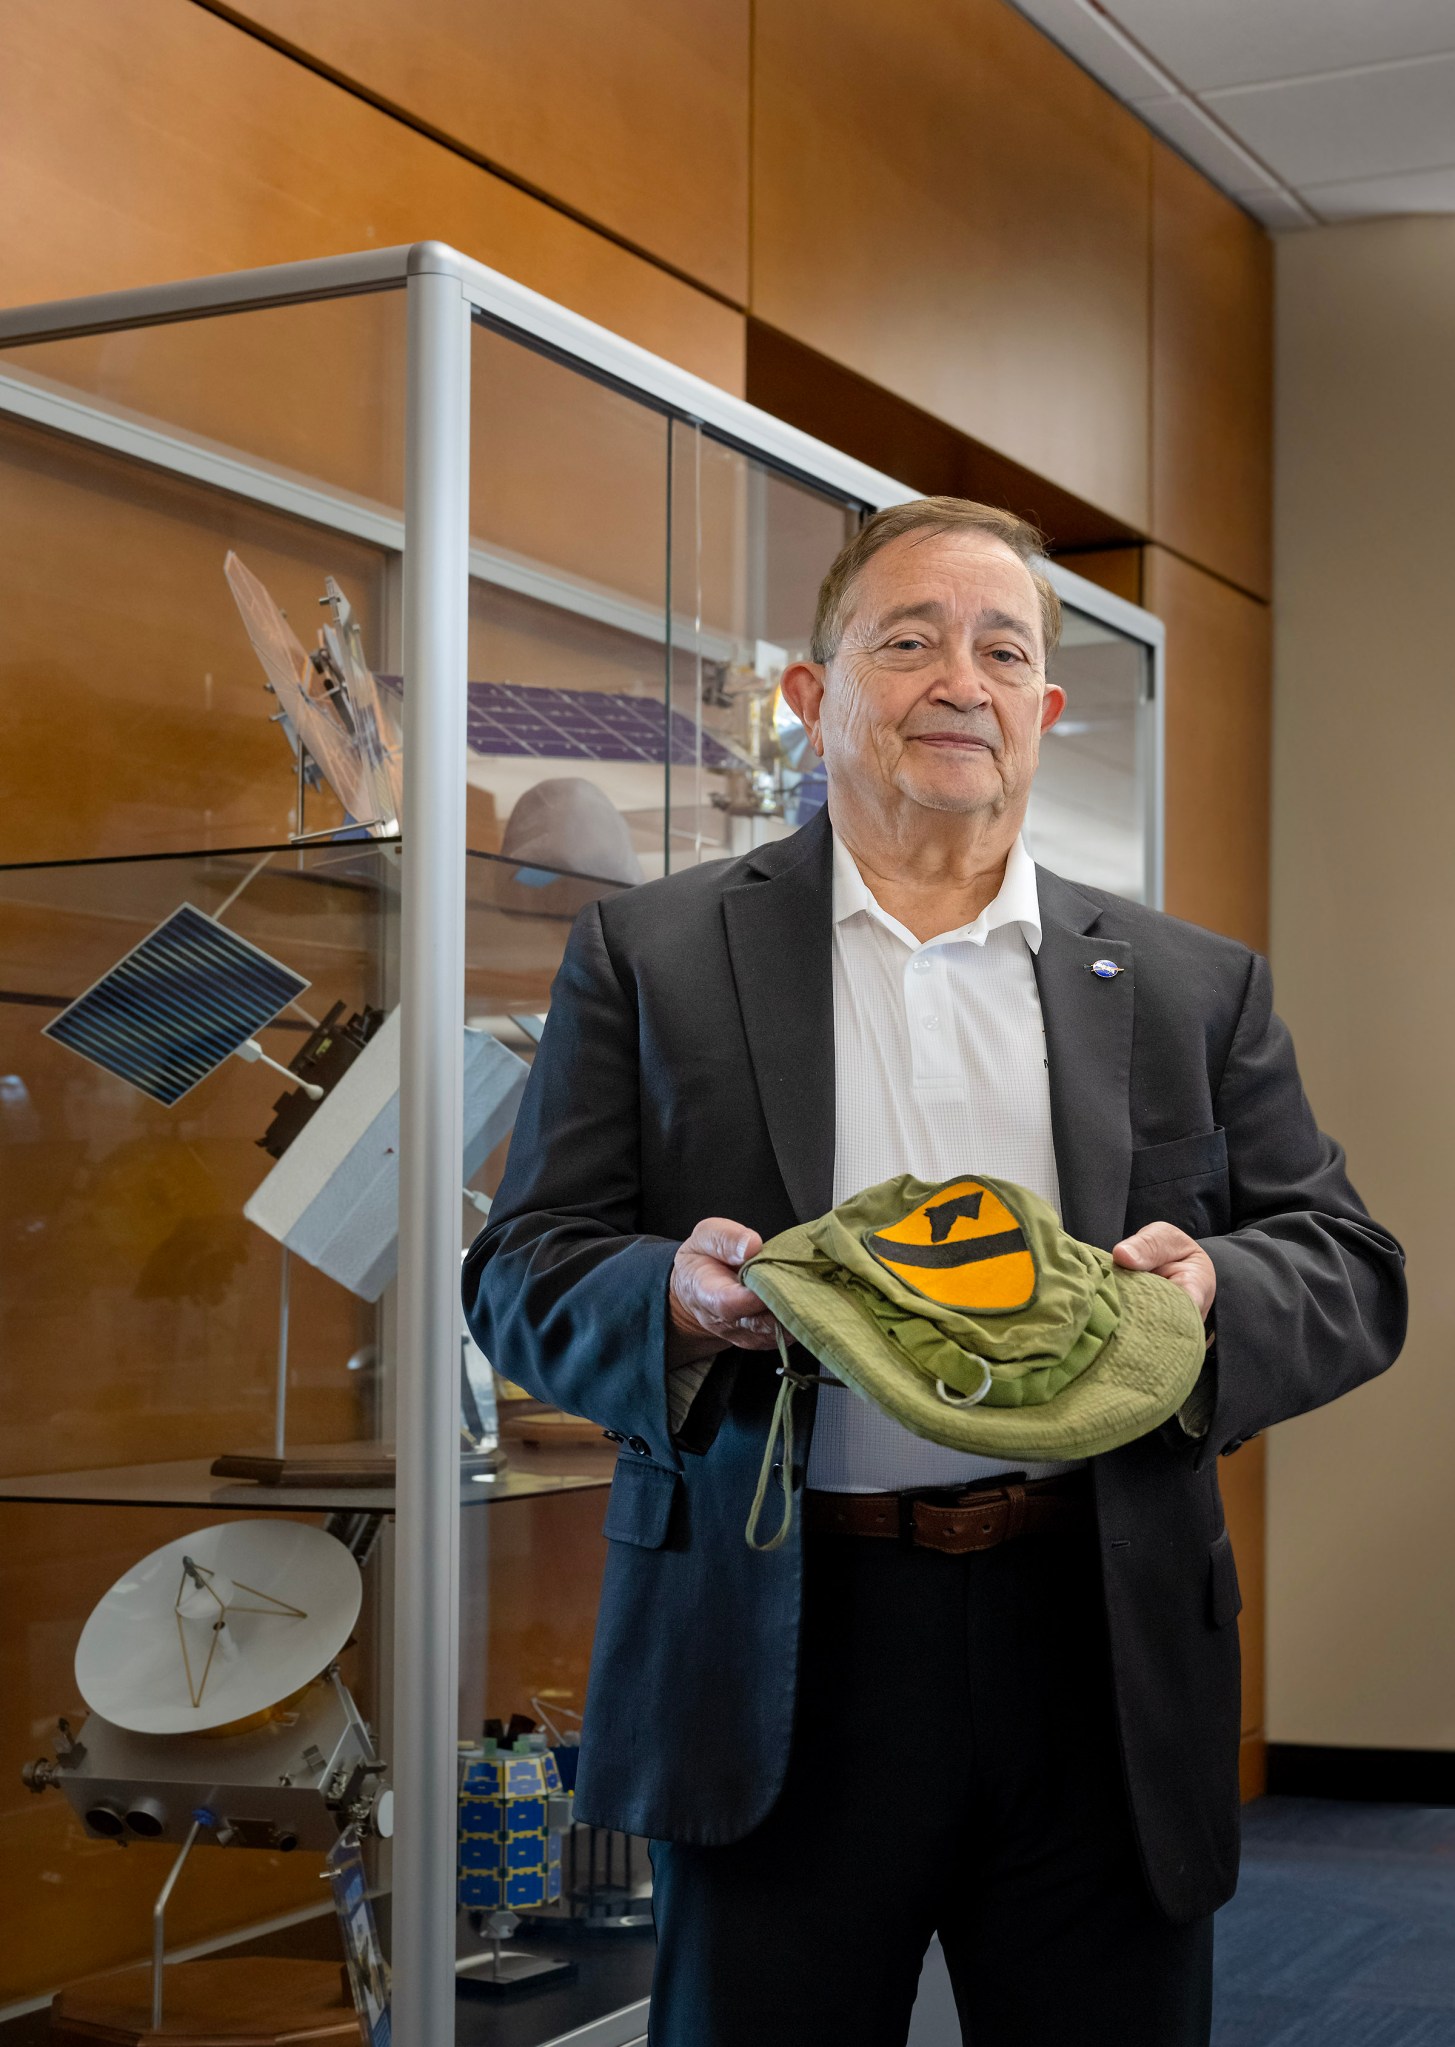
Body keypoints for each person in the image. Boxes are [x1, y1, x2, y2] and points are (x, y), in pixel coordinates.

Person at [464, 497, 1406, 2046]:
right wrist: (681, 1300)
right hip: (781, 1646)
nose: (957, 680)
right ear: (811, 696)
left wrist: (1215, 1294)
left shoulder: (1189, 984)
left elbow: (1350, 1268)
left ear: (1041, 710)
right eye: (905, 641)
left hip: (1095, 1643)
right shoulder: (654, 956)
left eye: (1001, 648)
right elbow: (523, 1272)